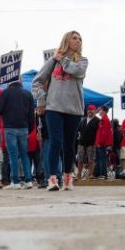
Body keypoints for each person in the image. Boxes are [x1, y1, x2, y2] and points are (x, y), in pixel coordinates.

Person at [32, 31, 88, 191]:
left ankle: (68, 177)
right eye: (74, 38)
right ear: (66, 40)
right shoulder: (53, 62)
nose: (78, 40)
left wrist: (61, 58)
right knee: (55, 141)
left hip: (74, 109)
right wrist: (41, 100)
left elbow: (76, 71)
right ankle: (51, 179)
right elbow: (37, 81)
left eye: (80, 39)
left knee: (69, 144)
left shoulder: (82, 61)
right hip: (54, 107)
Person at [0, 81, 35, 189]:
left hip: (10, 127)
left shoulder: (5, 93)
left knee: (13, 155)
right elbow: (32, 115)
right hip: (24, 128)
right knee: (24, 155)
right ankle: (28, 181)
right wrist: (29, 129)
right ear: (21, 82)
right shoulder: (28, 94)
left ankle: (16, 182)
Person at [75, 105, 100, 180]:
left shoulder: (98, 120)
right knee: (80, 159)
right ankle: (79, 174)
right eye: (88, 110)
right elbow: (78, 130)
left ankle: (90, 174)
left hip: (92, 143)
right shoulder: (83, 120)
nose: (90, 111)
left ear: (95, 111)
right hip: (81, 142)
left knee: (91, 159)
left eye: (92, 110)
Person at [94, 107, 113, 179]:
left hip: (101, 143)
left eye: (100, 110)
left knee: (101, 158)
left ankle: (103, 173)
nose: (99, 111)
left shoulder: (104, 119)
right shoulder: (104, 119)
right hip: (101, 142)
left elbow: (103, 133)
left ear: (104, 111)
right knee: (100, 158)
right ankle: (98, 173)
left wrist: (100, 142)